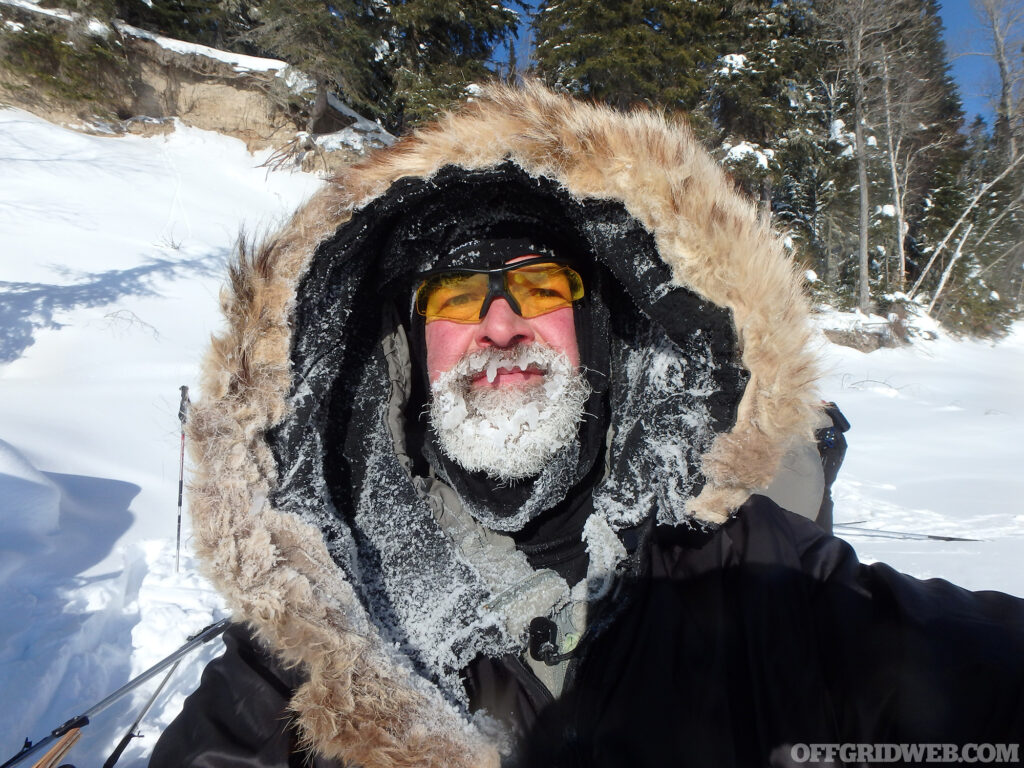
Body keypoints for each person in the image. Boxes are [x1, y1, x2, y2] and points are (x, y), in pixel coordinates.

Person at [152, 83, 1024, 768]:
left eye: (537, 289)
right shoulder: (315, 640)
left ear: (597, 326)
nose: (501, 326)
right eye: (459, 296)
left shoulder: (758, 579)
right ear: (408, 354)